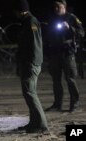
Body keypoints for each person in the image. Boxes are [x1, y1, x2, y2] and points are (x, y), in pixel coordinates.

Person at [13, 0, 48, 133]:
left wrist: (30, 63)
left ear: (20, 10)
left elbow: (34, 44)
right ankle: (34, 123)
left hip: (30, 63)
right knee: (29, 93)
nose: (15, 14)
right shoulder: (26, 22)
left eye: (16, 11)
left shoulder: (31, 21)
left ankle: (41, 124)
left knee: (30, 93)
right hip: (27, 62)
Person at [45, 0, 85, 112]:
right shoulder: (52, 18)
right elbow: (48, 34)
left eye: (58, 7)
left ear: (64, 7)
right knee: (56, 80)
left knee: (70, 79)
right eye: (55, 7)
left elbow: (81, 32)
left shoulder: (71, 18)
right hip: (54, 52)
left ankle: (74, 104)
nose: (56, 9)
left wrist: (70, 28)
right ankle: (57, 104)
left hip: (67, 52)